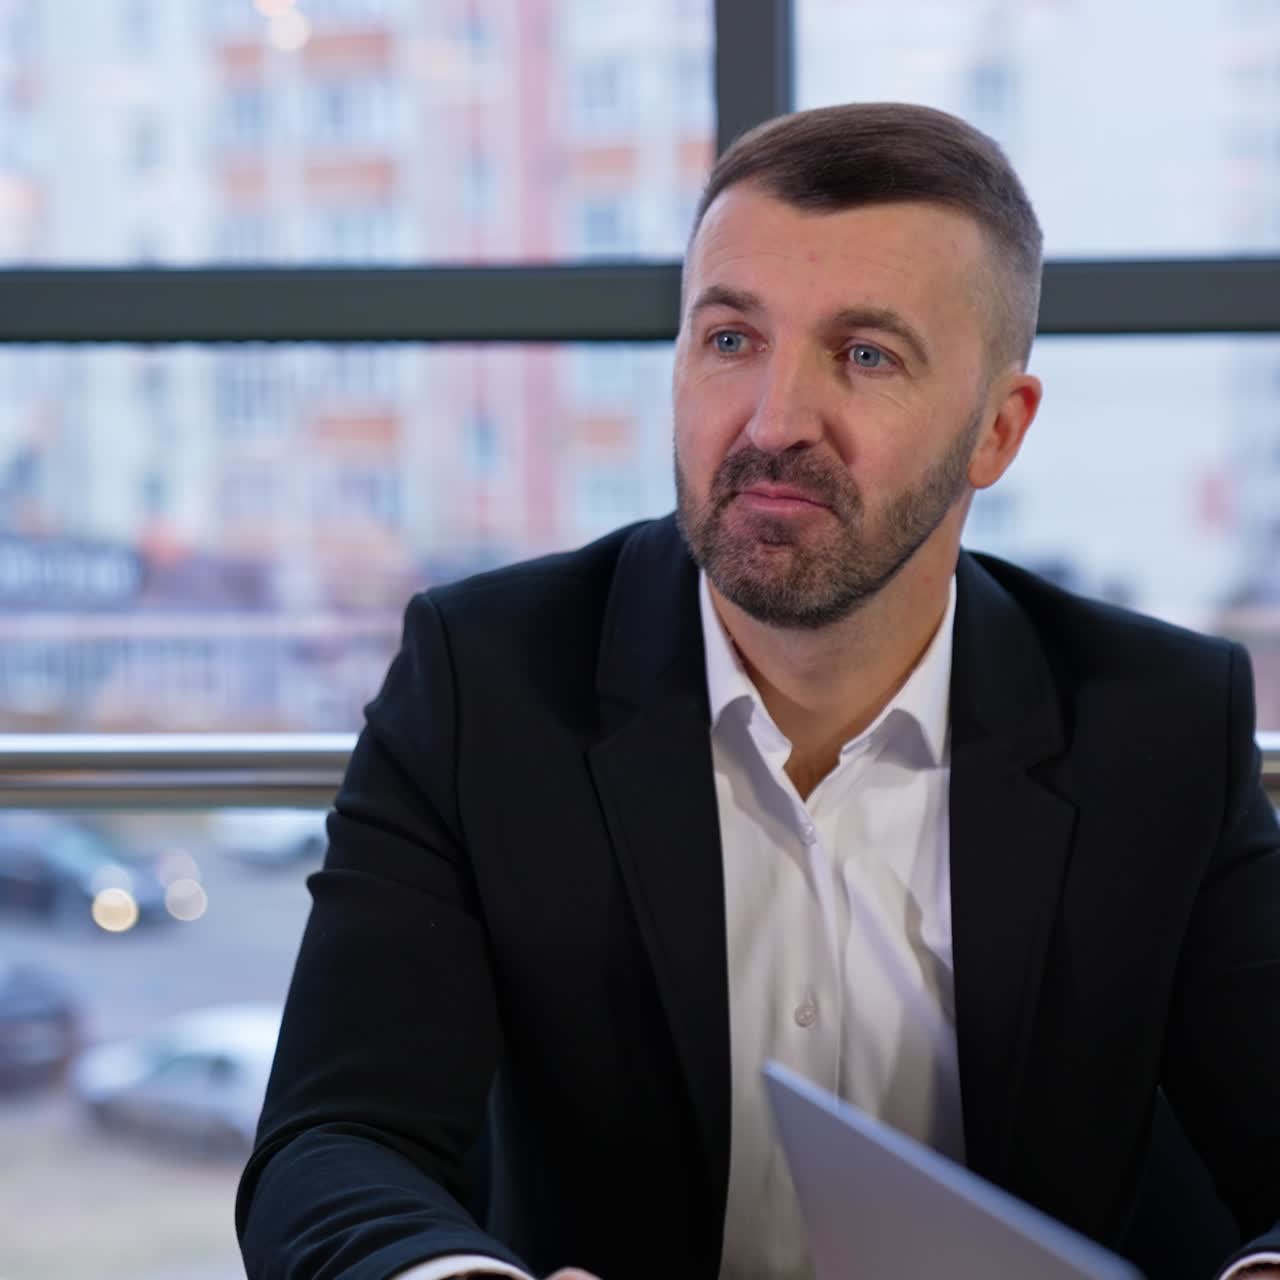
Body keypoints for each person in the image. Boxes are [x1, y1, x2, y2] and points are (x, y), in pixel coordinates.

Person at [236, 103, 1280, 1280]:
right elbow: (334, 1141)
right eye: (729, 340)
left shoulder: (1157, 723)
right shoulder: (483, 679)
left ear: (995, 429)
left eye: (865, 355)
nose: (773, 423)